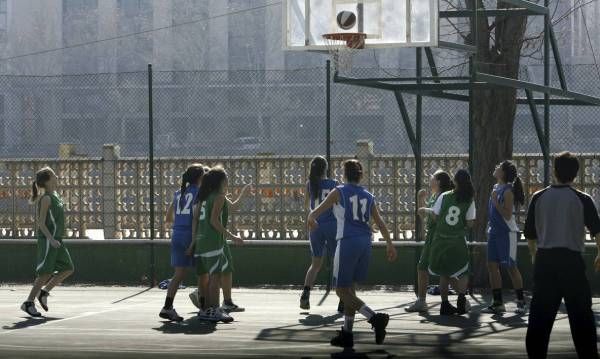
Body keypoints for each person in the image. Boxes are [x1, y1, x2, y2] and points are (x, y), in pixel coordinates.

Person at [308, 159, 397, 348]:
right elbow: (380, 223)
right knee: (350, 290)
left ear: (344, 174)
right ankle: (347, 333)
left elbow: (317, 210)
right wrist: (390, 244)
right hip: (365, 243)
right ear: (361, 175)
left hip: (347, 241)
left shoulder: (339, 191)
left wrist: (310, 217)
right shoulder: (367, 195)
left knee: (340, 290)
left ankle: (374, 318)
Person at [525, 152, 600, 359]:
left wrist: (533, 254)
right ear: (575, 174)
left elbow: (530, 233)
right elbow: (597, 230)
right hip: (571, 260)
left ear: (554, 171)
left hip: (545, 259)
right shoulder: (583, 199)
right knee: (581, 315)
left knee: (540, 315)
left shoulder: (538, 197)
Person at [189, 167, 251, 323]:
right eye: (226, 179)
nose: (228, 181)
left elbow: (195, 219)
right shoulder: (218, 197)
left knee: (204, 279)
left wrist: (194, 241)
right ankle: (215, 309)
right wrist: (232, 236)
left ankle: (204, 309)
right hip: (212, 242)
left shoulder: (202, 197)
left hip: (201, 242)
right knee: (214, 279)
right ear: (221, 182)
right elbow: (214, 221)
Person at [420, 169, 475, 316]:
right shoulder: (469, 199)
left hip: (441, 239)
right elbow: (470, 223)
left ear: (455, 181)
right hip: (457, 240)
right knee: (464, 271)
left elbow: (435, 216)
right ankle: (461, 298)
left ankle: (444, 304)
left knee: (444, 273)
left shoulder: (444, 196)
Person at [21, 167, 74, 317]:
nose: (57, 176)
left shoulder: (55, 195)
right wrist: (50, 239)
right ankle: (28, 302)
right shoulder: (46, 199)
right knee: (45, 273)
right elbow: (41, 224)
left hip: (57, 240)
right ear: (48, 179)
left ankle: (44, 293)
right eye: (54, 174)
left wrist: (56, 239)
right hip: (48, 241)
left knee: (68, 268)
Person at [159, 164, 205, 322]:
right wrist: (192, 241)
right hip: (190, 234)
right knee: (202, 272)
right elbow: (195, 218)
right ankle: (204, 307)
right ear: (200, 178)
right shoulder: (199, 193)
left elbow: (168, 217)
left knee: (178, 274)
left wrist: (177, 224)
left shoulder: (179, 193)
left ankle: (167, 307)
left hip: (177, 234)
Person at [406, 170, 454, 313]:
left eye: (432, 177)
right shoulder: (435, 196)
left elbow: (434, 216)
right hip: (432, 236)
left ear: (438, 182)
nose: (429, 178)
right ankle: (423, 301)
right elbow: (425, 217)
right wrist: (420, 200)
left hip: (438, 237)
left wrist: (425, 209)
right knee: (428, 268)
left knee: (436, 269)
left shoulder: (444, 197)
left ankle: (461, 296)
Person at [486, 160, 526, 314]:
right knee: (492, 266)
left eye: (498, 167)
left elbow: (508, 215)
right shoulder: (496, 187)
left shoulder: (508, 191)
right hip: (494, 233)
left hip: (507, 234)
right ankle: (497, 302)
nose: (495, 167)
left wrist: (496, 202)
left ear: (503, 173)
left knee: (511, 267)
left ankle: (521, 302)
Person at [300, 156, 340, 311]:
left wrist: (313, 217)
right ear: (326, 168)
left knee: (315, 264)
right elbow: (338, 205)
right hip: (332, 225)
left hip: (315, 225)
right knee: (338, 263)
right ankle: (342, 300)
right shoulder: (334, 184)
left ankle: (305, 294)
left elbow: (307, 206)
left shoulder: (309, 184)